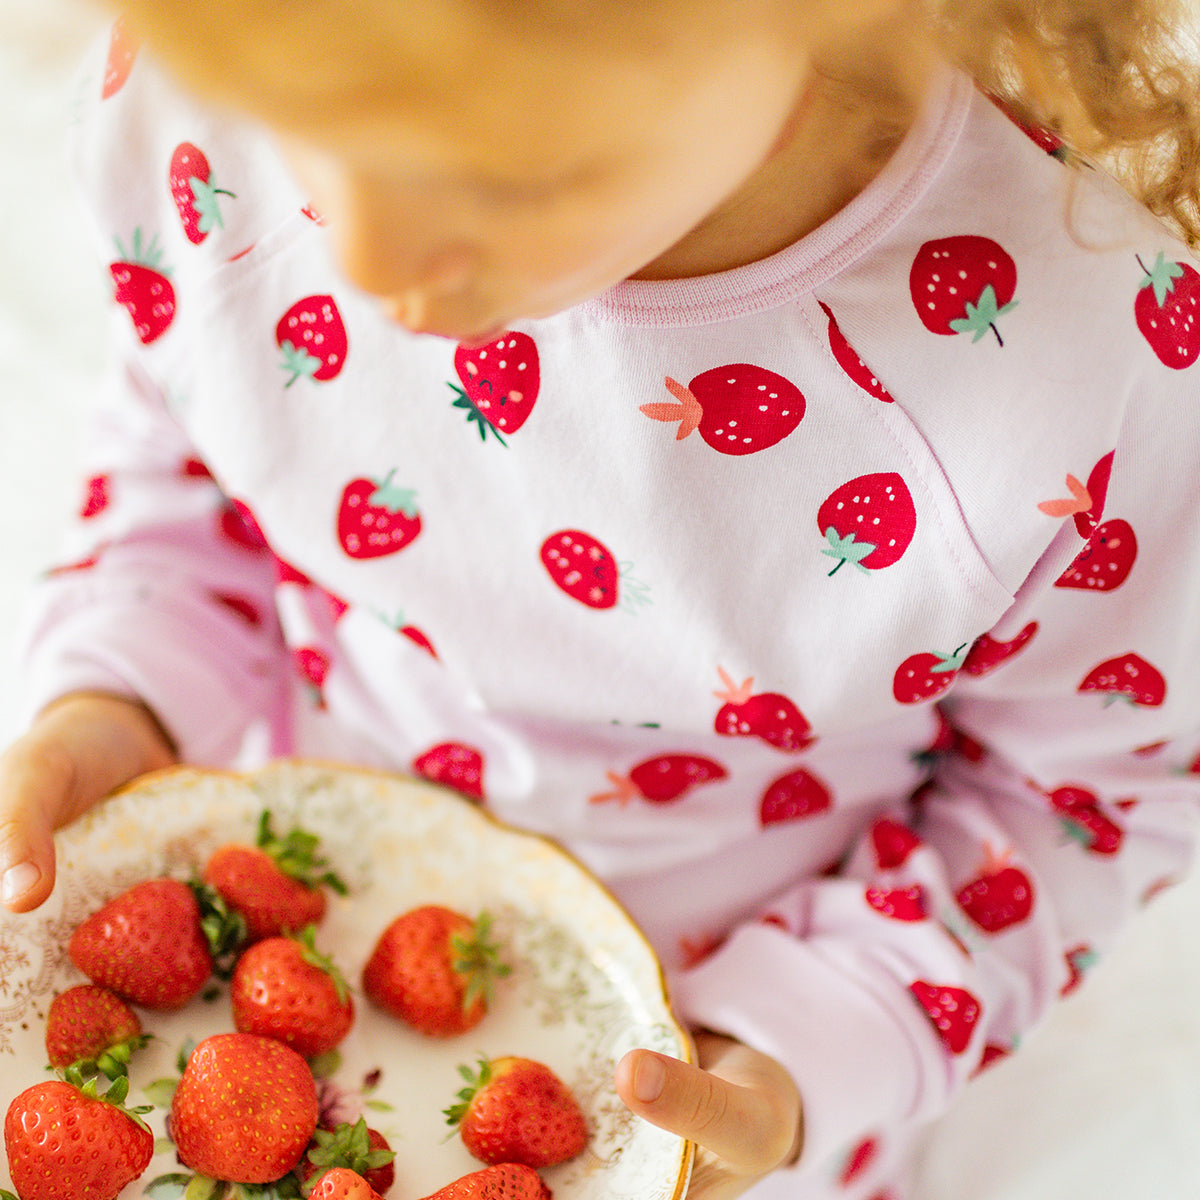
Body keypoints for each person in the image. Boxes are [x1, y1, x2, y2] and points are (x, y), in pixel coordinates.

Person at [3, 0, 1200, 1196]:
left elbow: (1083, 804)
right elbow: (194, 456)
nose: (368, 269)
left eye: (501, 177)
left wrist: (804, 1047)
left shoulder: (1086, 389)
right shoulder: (240, 81)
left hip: (721, 1053)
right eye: (311, 140)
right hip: (282, 947)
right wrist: (121, 698)